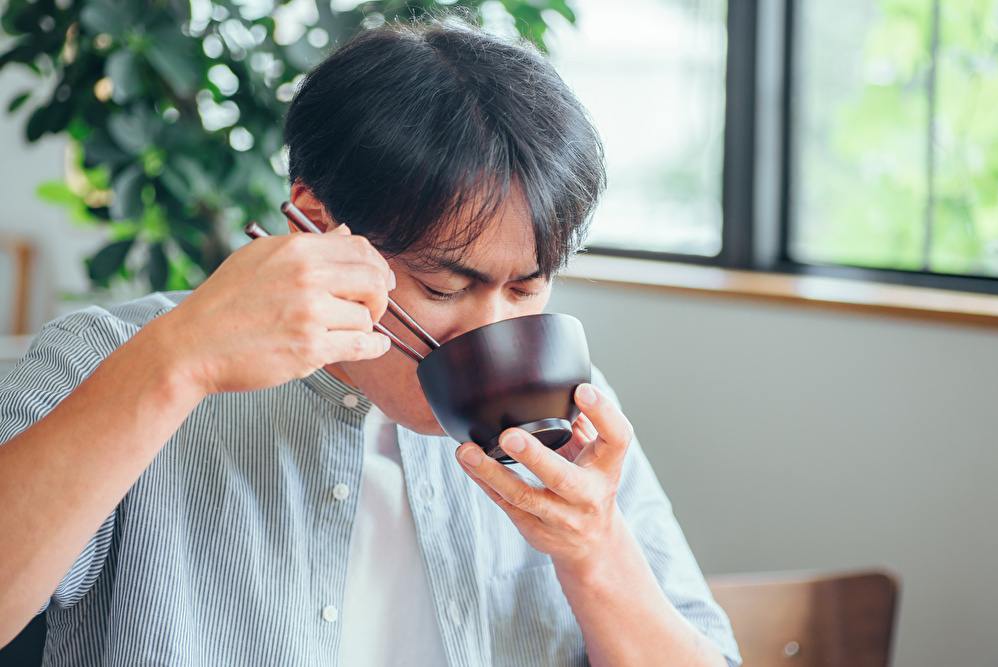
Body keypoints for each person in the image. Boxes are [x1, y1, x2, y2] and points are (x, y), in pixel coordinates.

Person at [0, 18, 741, 667]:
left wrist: (594, 549)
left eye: (527, 287)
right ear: (312, 223)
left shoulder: (570, 413)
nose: (493, 332)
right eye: (445, 287)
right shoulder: (110, 355)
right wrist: (174, 366)